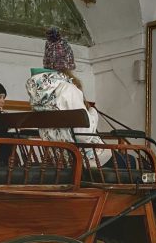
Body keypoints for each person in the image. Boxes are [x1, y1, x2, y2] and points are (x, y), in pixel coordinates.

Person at [26, 27, 124, 168]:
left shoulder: (39, 93)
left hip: (59, 159)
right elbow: (83, 136)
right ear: (68, 63)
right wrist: (93, 113)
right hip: (83, 160)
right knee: (135, 163)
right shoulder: (68, 89)